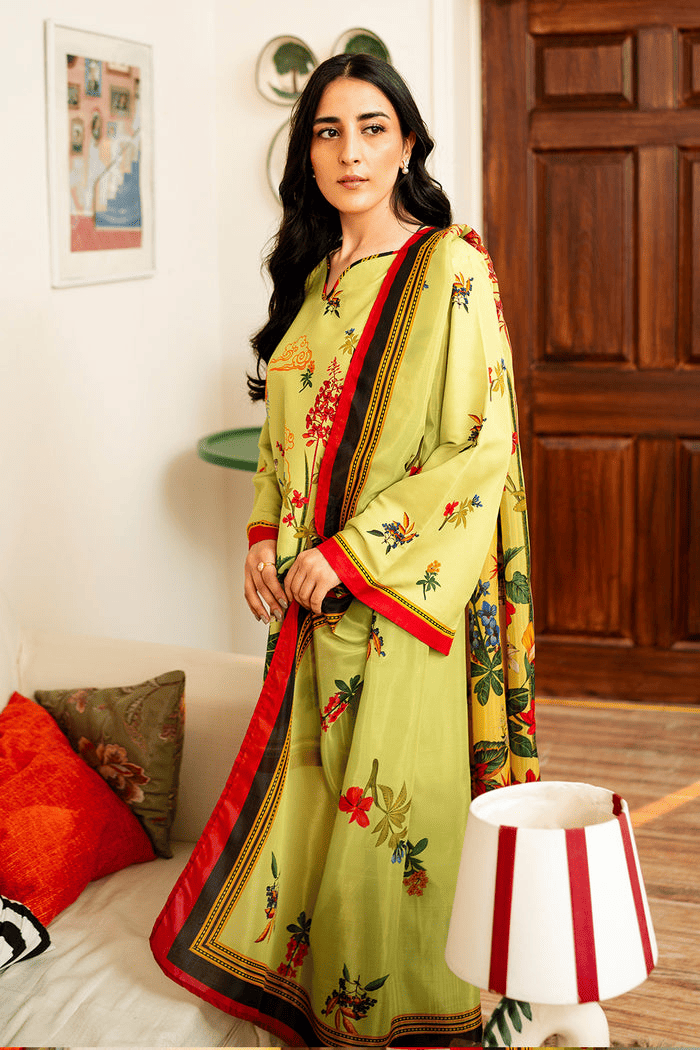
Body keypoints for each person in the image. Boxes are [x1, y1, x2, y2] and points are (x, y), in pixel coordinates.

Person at [151, 53, 539, 1047]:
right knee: (324, 816)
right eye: (328, 131)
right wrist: (257, 538)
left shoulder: (449, 263)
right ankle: (331, 1017)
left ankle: (405, 1029)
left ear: (408, 142)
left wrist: (359, 552)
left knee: (388, 831)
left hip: (400, 602)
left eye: (371, 127)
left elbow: (478, 445)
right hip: (312, 604)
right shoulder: (315, 279)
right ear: (307, 154)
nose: (350, 150)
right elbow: (292, 443)